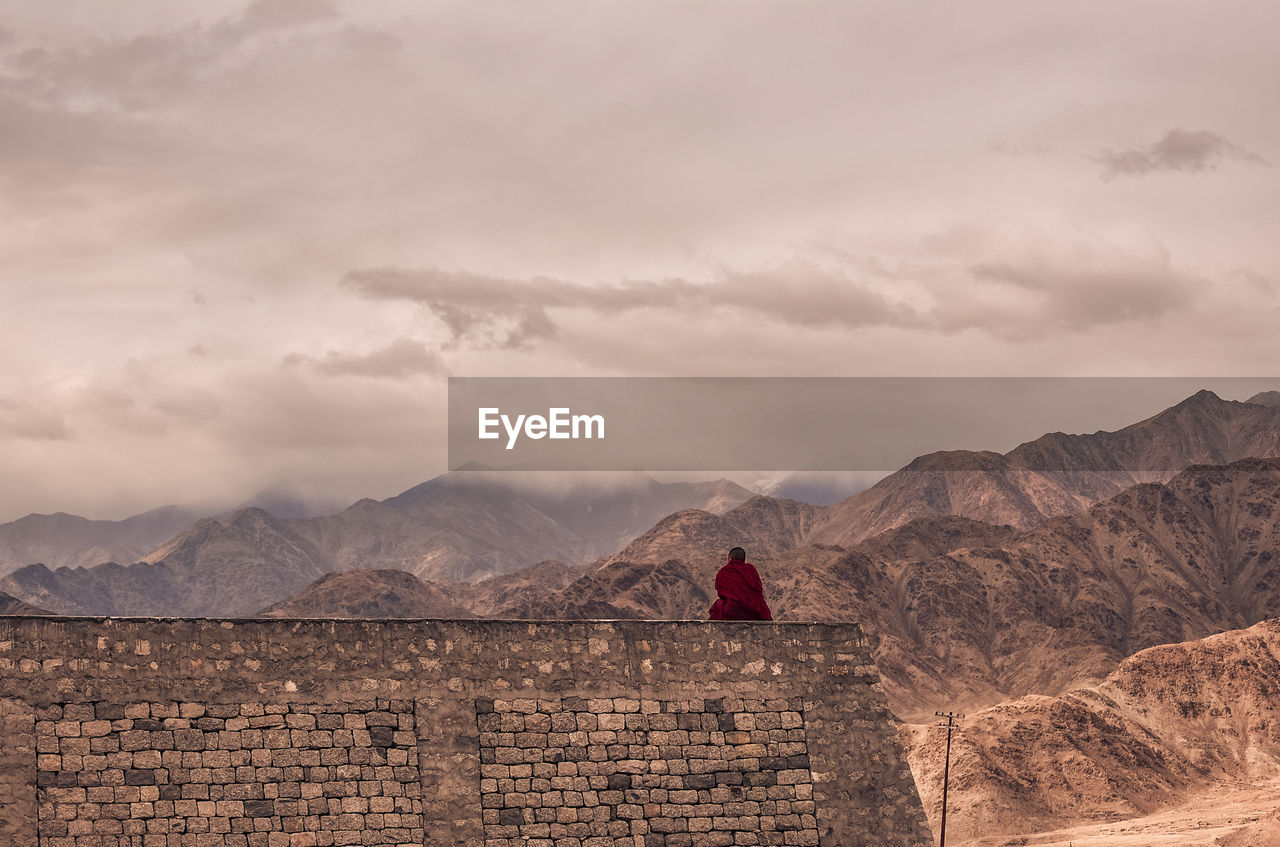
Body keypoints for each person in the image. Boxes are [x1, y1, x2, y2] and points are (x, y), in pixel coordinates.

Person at [708, 546, 773, 621]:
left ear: (729, 558)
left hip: (734, 610)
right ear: (744, 559)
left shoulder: (724, 571)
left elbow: (721, 593)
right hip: (756, 612)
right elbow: (758, 589)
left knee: (717, 606)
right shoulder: (751, 570)